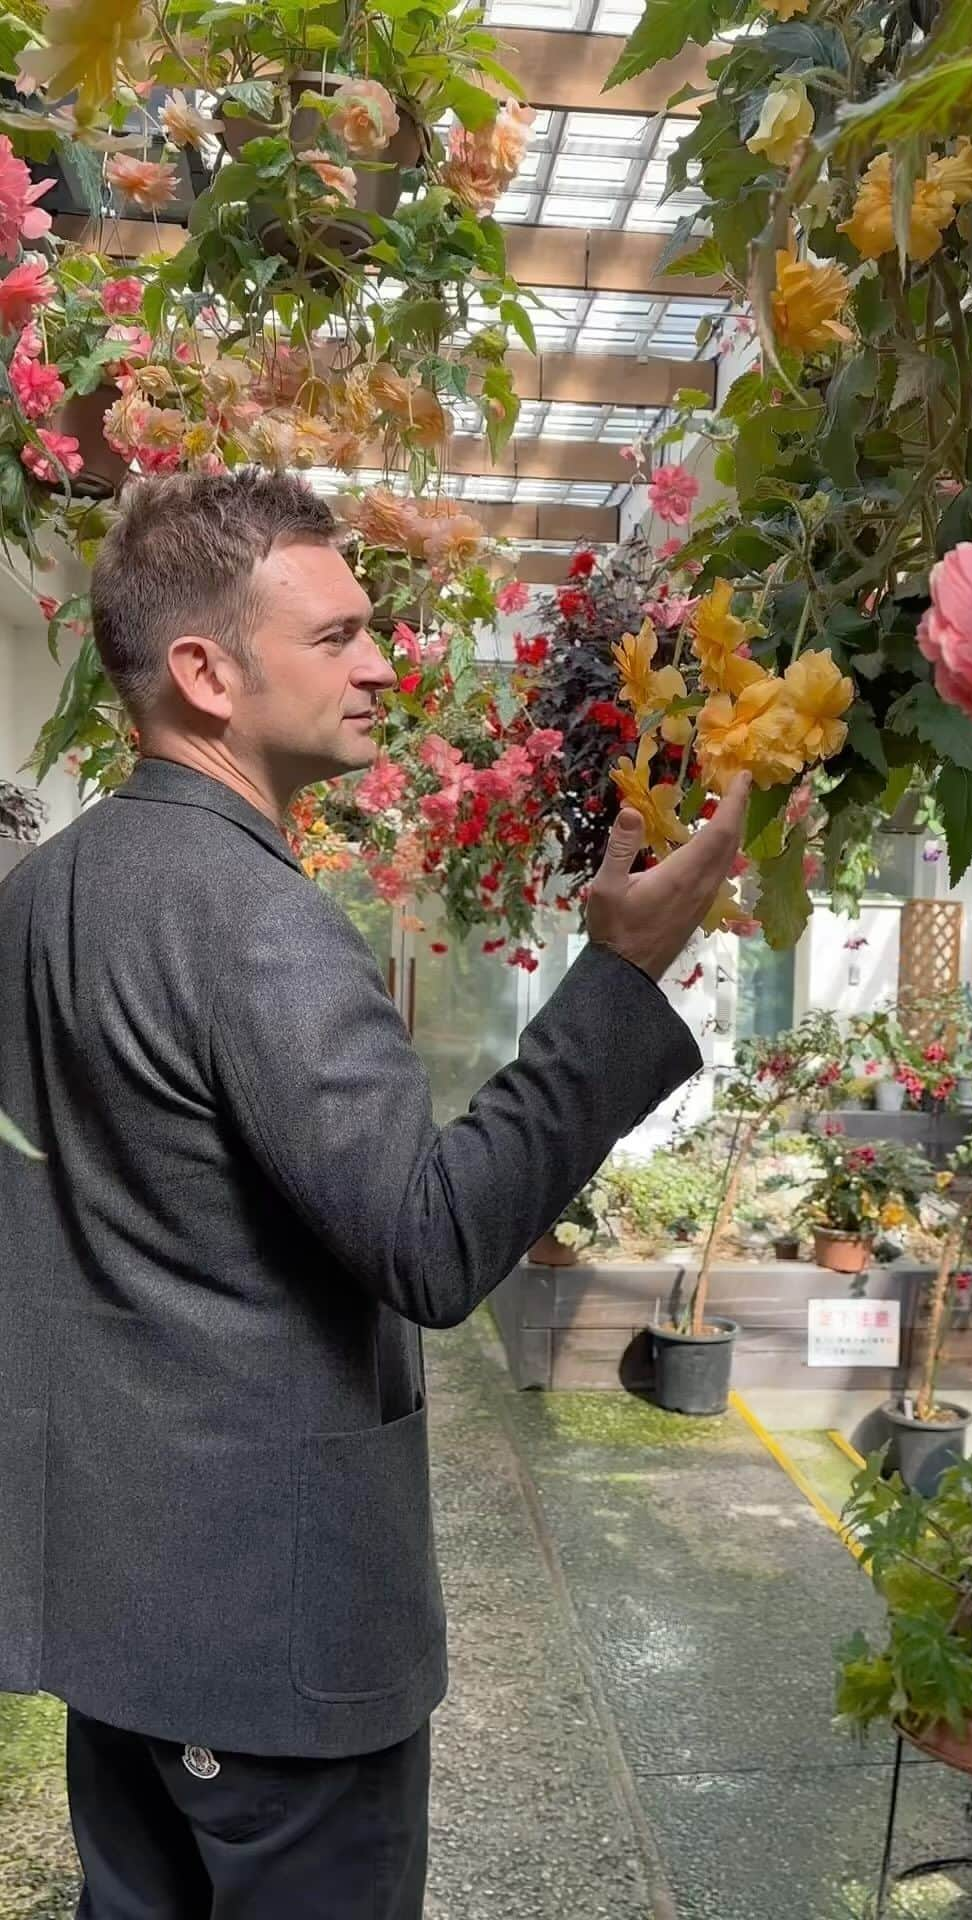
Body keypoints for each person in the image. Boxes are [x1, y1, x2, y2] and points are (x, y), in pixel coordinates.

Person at [0, 469, 748, 1918]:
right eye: (339, 634)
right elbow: (432, 1238)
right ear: (206, 673)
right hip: (269, 1639)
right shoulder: (259, 922)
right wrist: (622, 980)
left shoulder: (40, 898)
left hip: (112, 1611)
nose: (384, 661)